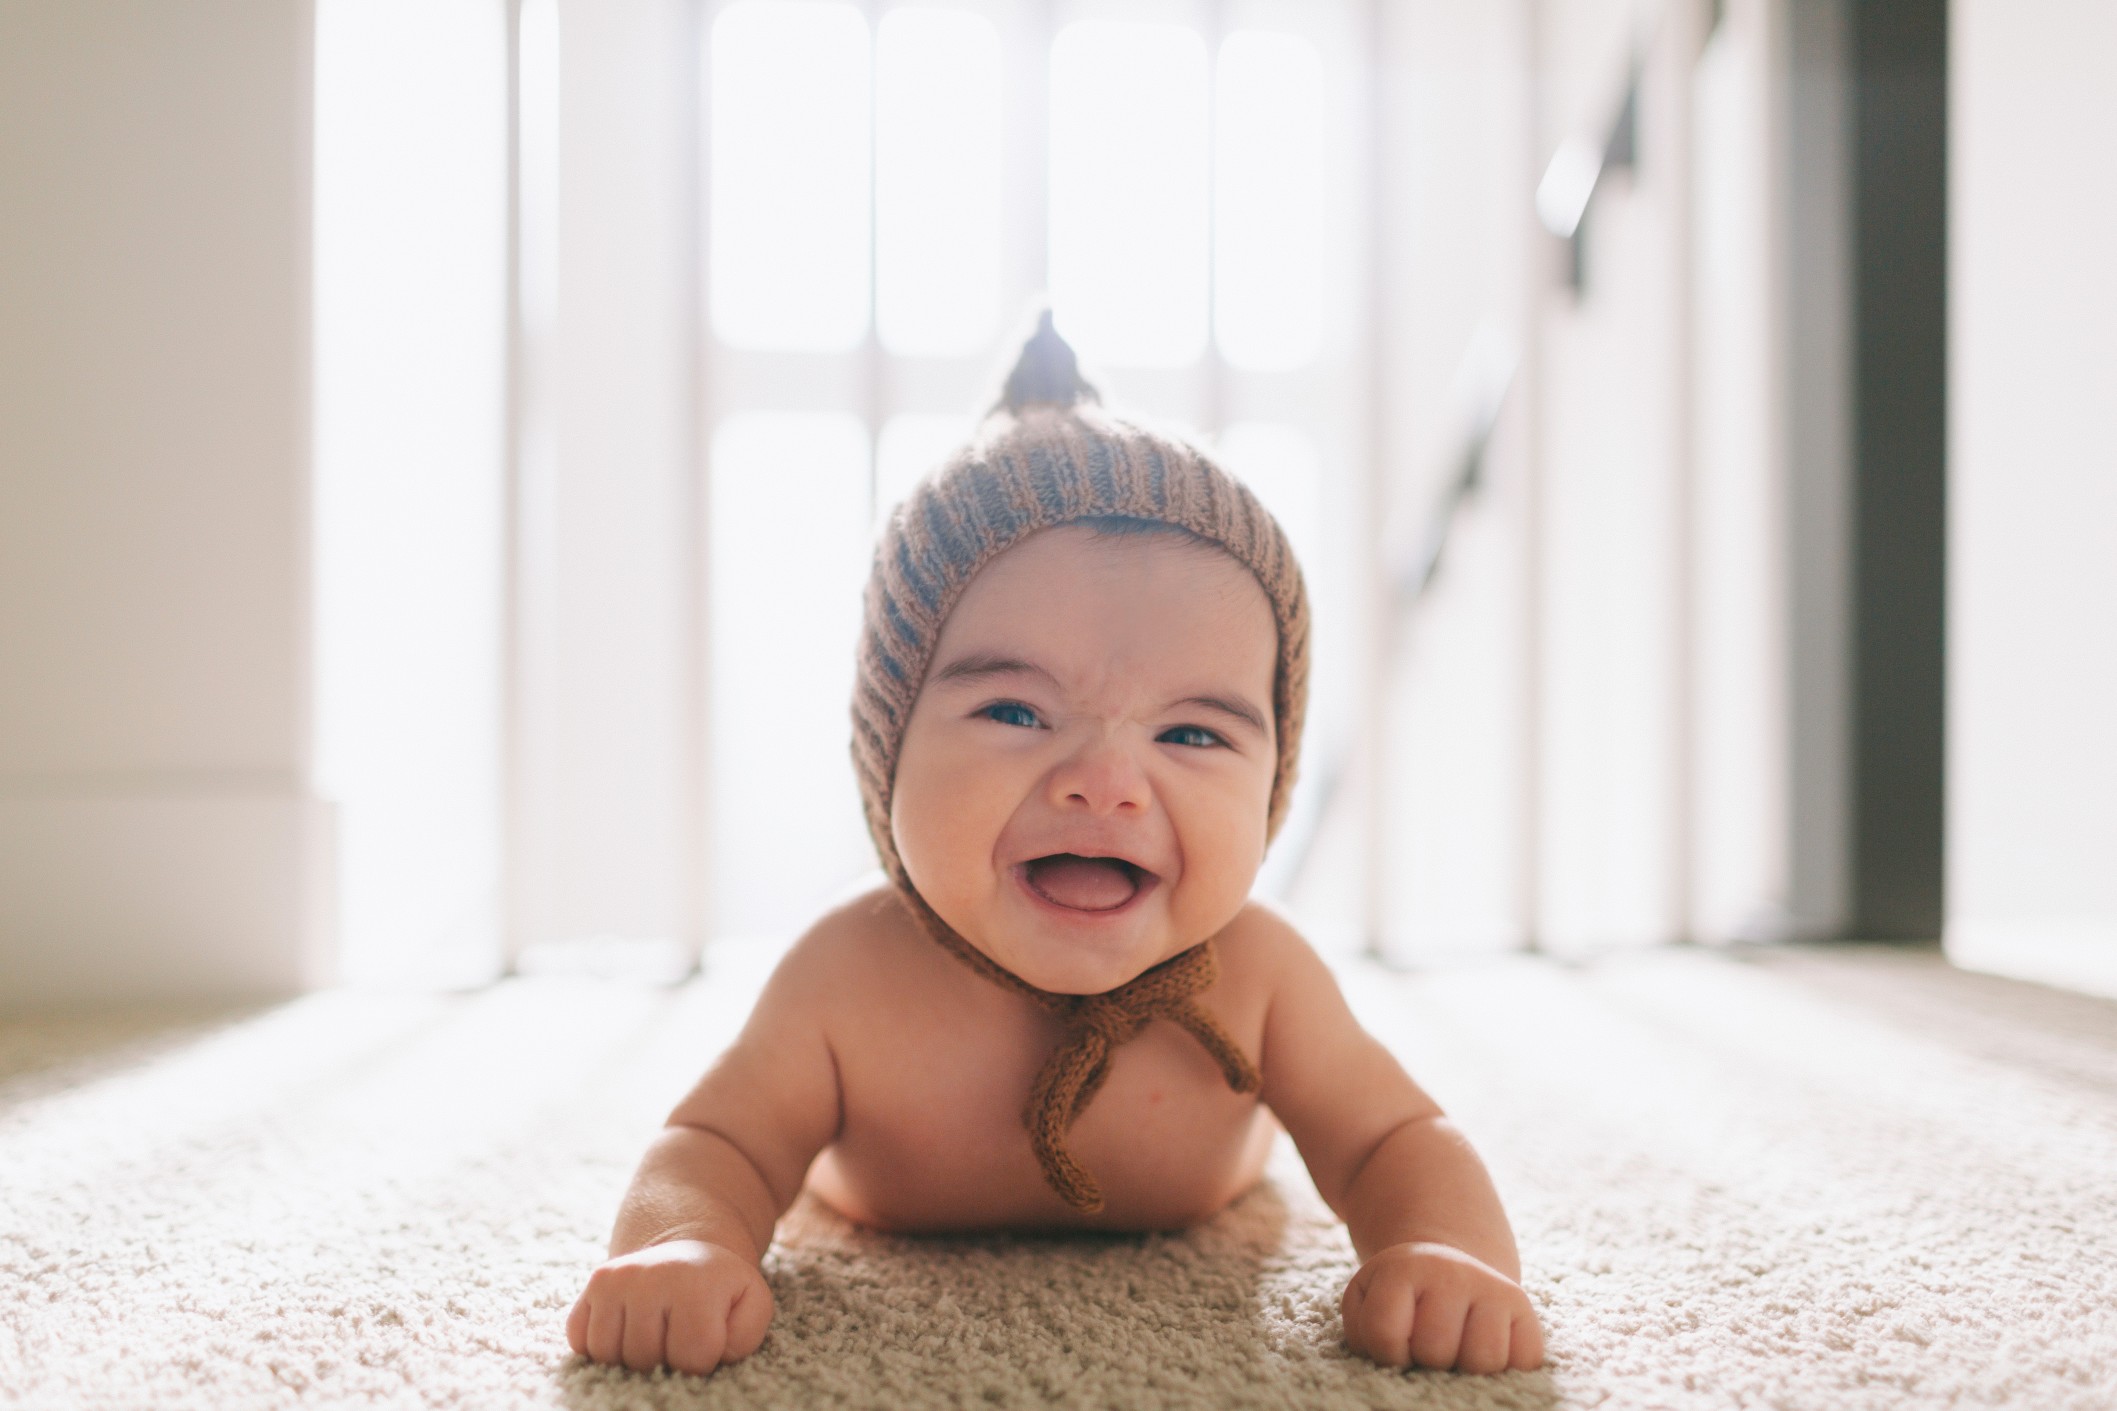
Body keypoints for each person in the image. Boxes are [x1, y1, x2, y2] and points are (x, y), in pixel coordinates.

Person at [566, 314, 1545, 1379]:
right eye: (1015, 713)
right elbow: (717, 1144)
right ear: (888, 748)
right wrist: (684, 1242)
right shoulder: (845, 976)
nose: (1106, 783)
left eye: (1189, 733)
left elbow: (1391, 1138)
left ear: (1272, 779)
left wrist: (1442, 1251)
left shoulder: (1258, 975)